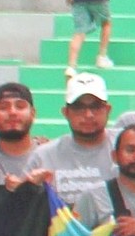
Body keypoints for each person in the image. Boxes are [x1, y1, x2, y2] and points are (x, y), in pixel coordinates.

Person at [35, 73, 115, 201]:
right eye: (78, 107)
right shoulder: (43, 156)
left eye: (95, 106)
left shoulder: (128, 148)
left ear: (108, 109)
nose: (88, 115)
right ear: (66, 112)